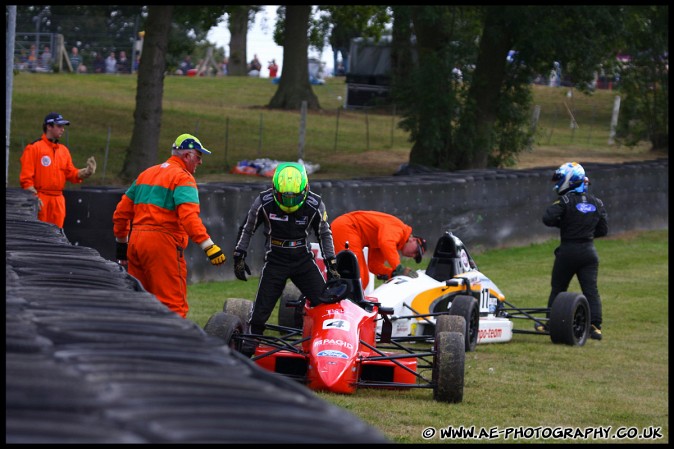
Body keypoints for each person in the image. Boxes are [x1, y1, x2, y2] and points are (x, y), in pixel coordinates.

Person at [112, 134, 227, 318]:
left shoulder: (145, 175)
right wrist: (209, 246)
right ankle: (175, 345)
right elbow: (189, 218)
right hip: (162, 245)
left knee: (139, 305)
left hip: (135, 243)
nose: (200, 162)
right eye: (198, 156)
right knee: (173, 306)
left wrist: (121, 246)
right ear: (187, 156)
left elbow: (120, 213)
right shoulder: (183, 178)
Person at [233, 162, 339, 354]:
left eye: (294, 197)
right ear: (274, 189)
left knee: (325, 304)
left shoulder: (315, 203)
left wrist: (331, 262)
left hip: (303, 260)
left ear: (305, 188)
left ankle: (327, 343)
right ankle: (251, 343)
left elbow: (325, 233)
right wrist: (239, 254)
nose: (289, 202)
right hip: (275, 260)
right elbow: (247, 228)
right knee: (259, 314)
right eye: (284, 197)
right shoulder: (263, 201)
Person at [542, 162, 608, 340]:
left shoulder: (565, 201)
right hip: (589, 252)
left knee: (558, 289)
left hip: (568, 251)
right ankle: (595, 327)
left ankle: (550, 323)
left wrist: (565, 224)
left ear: (570, 180)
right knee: (591, 290)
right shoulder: (597, 203)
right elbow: (603, 231)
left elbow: (547, 218)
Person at [19, 112, 97, 229]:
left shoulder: (63, 150)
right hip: (40, 198)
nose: (62, 130)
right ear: (49, 126)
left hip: (58, 200)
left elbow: (71, 173)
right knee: (39, 234)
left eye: (63, 126)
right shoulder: (34, 148)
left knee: (56, 234)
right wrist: (33, 197)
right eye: (59, 126)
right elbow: (26, 179)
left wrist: (86, 172)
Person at [330, 211, 427, 291]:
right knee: (358, 278)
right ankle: (344, 306)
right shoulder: (399, 229)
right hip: (347, 227)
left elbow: (374, 266)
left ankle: (344, 303)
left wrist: (391, 273)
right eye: (416, 251)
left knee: (362, 279)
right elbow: (386, 242)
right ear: (413, 240)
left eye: (416, 256)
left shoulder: (390, 242)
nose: (413, 255)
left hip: (349, 228)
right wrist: (399, 268)